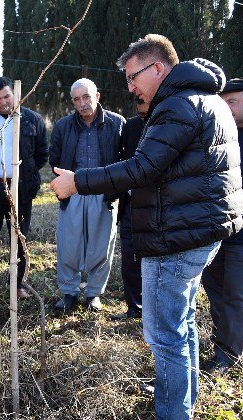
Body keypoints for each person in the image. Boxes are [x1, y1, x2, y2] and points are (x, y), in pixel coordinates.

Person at [50, 34, 243, 420]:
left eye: (133, 76)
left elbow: (141, 168)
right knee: (183, 322)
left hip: (175, 236)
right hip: (195, 231)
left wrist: (77, 182)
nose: (130, 87)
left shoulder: (178, 106)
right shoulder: (204, 99)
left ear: (158, 67)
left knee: (164, 333)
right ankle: (180, 397)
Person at [0, 76, 48, 301]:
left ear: (14, 94)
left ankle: (19, 283)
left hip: (20, 188)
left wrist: (27, 174)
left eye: (7, 96)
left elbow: (42, 153)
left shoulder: (32, 120)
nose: (3, 102)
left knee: (20, 236)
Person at [49, 78, 124, 312]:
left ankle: (93, 294)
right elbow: (55, 158)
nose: (82, 103)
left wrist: (114, 187)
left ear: (98, 96)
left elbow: (124, 160)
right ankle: (69, 292)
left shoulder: (116, 123)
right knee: (69, 245)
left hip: (104, 192)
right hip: (74, 191)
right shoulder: (63, 126)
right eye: (77, 99)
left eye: (87, 97)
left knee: (101, 246)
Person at [200, 77, 243, 372]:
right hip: (215, 229)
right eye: (223, 101)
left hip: (242, 235)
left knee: (235, 292)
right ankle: (225, 341)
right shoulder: (215, 134)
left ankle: (228, 355)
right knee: (214, 286)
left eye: (233, 101)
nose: (226, 106)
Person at [110, 95, 147, 321]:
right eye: (139, 102)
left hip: (161, 207)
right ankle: (134, 307)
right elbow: (123, 160)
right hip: (132, 203)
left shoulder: (170, 123)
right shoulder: (131, 126)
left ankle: (154, 311)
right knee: (130, 260)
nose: (142, 106)